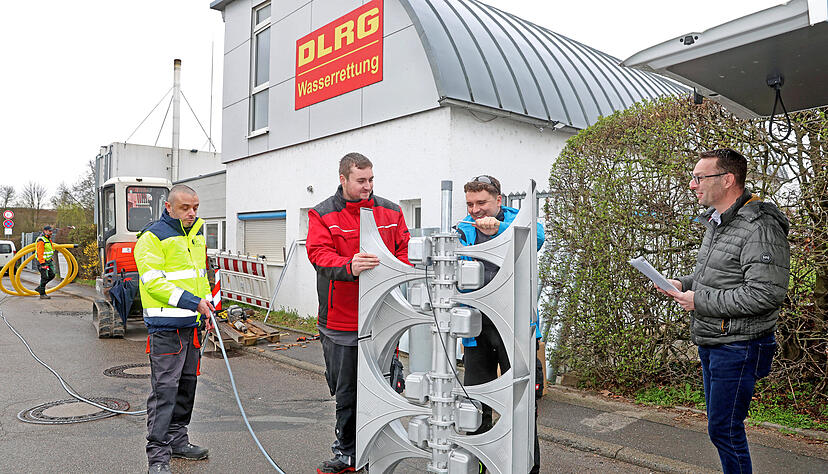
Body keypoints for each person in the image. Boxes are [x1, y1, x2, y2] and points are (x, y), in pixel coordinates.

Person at [657, 149, 790, 474]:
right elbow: (716, 277)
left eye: (699, 177)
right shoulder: (719, 221)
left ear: (727, 180)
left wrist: (698, 300)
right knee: (722, 429)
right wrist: (682, 283)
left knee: (724, 430)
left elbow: (765, 294)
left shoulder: (760, 228)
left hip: (738, 346)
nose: (692, 185)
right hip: (715, 341)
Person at [306, 152, 410, 474]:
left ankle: (378, 452)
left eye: (371, 180)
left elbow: (405, 249)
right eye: (361, 181)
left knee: (383, 387)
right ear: (343, 179)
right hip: (341, 321)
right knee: (348, 393)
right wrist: (348, 266)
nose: (368, 186)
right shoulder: (323, 214)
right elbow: (318, 254)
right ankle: (347, 455)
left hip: (381, 318)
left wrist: (396, 271)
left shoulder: (391, 211)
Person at [455, 175, 544, 474]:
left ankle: (525, 466)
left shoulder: (520, 221)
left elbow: (538, 238)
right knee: (476, 399)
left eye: (482, 203)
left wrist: (501, 230)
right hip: (477, 326)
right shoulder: (464, 229)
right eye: (470, 204)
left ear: (499, 201)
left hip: (515, 326)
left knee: (520, 402)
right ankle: (482, 464)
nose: (475, 210)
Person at [134, 184, 214, 474]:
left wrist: (206, 308)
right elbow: (154, 283)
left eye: (195, 207)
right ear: (168, 207)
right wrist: (195, 303)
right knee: (165, 391)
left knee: (186, 387)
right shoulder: (152, 237)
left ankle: (179, 440)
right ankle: (157, 457)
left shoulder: (195, 235)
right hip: (166, 330)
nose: (192, 213)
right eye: (185, 208)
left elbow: (200, 276)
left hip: (192, 327)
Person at [35, 225, 55, 299]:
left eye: (51, 231)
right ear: (45, 231)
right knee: (45, 277)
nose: (51, 232)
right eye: (50, 231)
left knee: (52, 275)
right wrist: (42, 263)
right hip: (43, 262)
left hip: (48, 261)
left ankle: (40, 288)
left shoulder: (48, 239)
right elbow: (40, 253)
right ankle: (42, 294)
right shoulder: (41, 240)